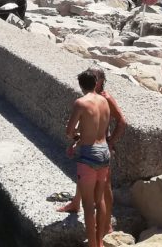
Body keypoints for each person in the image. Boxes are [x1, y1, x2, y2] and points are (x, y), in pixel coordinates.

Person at [59, 67, 126, 226]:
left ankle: (107, 223)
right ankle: (76, 203)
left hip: (101, 148)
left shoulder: (105, 97)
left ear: (101, 81)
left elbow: (122, 122)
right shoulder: (92, 97)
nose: (92, 80)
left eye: (95, 77)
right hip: (90, 145)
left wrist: (110, 143)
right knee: (83, 176)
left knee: (105, 188)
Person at [65, 68, 112, 247]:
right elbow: (101, 127)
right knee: (99, 200)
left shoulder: (81, 103)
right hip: (104, 152)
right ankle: (100, 242)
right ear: (95, 83)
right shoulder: (104, 101)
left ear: (81, 85)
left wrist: (76, 136)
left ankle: (93, 246)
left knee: (88, 206)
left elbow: (69, 131)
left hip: (89, 154)